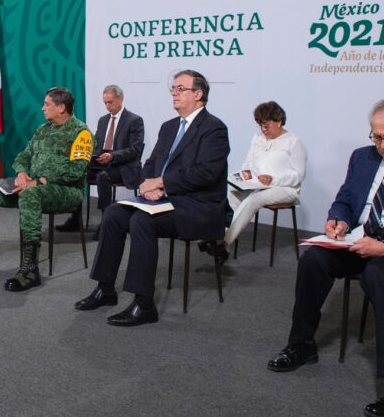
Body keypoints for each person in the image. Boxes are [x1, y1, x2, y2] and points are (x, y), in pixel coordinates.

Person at [75, 70, 229, 326]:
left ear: (198, 94)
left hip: (198, 205)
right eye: (173, 88)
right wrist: (148, 184)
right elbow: (151, 162)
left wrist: (164, 183)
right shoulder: (169, 127)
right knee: (114, 213)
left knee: (141, 222)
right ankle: (105, 289)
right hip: (162, 198)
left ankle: (144, 304)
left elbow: (207, 173)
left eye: (181, 88)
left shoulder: (214, 128)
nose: (174, 93)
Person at [267, 100, 384, 417]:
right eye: (375, 136)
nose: (379, 144)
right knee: (313, 259)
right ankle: (302, 344)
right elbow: (345, 199)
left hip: (382, 251)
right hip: (358, 239)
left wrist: (381, 248)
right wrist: (339, 221)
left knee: (376, 276)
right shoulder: (363, 157)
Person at [0, 87, 92, 292]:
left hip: (66, 191)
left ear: (62, 107)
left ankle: (29, 269)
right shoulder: (43, 129)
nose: (43, 108)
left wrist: (41, 181)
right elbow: (23, 156)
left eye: (47, 104)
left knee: (30, 195)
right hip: (32, 186)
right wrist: (21, 173)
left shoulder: (81, 133)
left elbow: (77, 170)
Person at [199, 101, 307, 264]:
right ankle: (216, 236)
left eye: (266, 125)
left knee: (252, 201)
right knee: (230, 195)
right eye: (260, 125)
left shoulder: (293, 141)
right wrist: (243, 176)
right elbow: (248, 164)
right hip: (258, 186)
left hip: (285, 188)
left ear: (278, 121)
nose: (263, 130)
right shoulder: (258, 138)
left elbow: (298, 175)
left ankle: (224, 244)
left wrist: (273, 179)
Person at [56, 85, 144, 240]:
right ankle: (75, 218)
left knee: (103, 176)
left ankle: (106, 222)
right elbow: (96, 145)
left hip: (123, 166)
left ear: (120, 99)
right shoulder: (103, 120)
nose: (107, 106)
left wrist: (113, 156)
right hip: (102, 163)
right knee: (76, 172)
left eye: (110, 102)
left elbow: (135, 150)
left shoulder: (134, 120)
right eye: (105, 102)